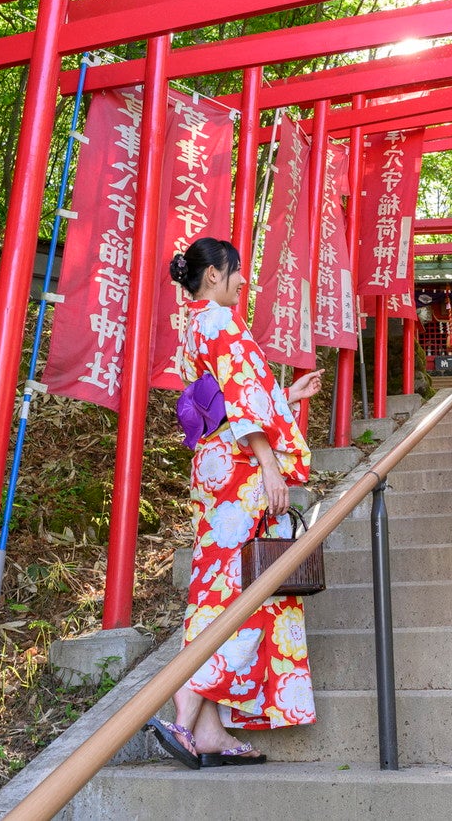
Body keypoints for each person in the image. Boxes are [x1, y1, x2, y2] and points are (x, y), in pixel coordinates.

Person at [146, 237, 324, 768]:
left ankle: (209, 731)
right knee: (245, 587)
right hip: (243, 471)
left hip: (217, 465)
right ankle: (188, 700)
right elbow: (241, 395)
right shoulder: (220, 320)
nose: (244, 281)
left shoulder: (195, 322)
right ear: (217, 274)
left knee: (217, 583)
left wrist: (285, 399)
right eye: (237, 272)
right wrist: (271, 464)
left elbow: (230, 396)